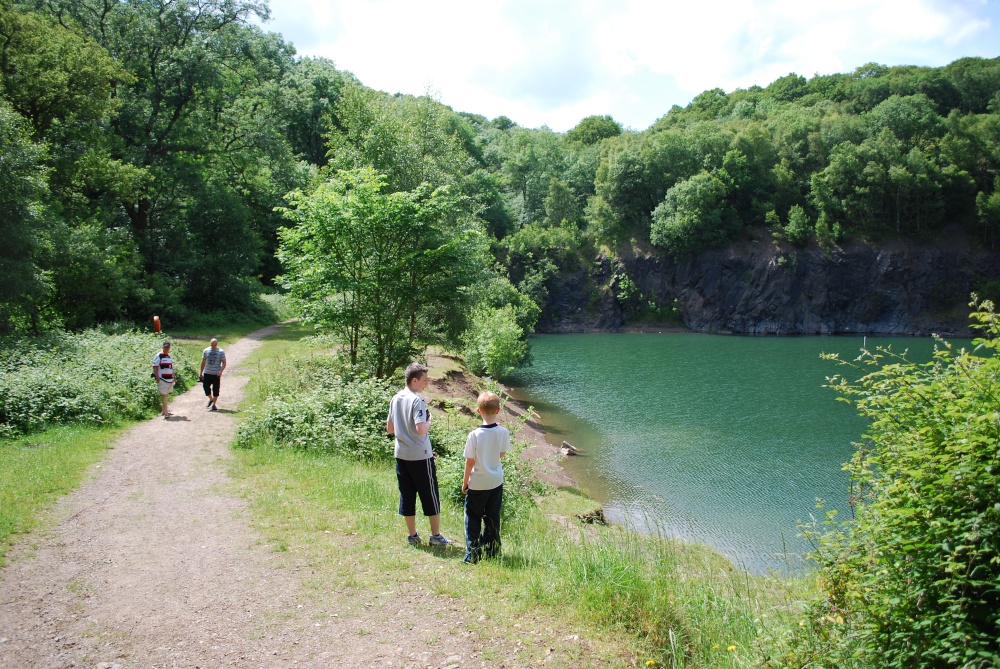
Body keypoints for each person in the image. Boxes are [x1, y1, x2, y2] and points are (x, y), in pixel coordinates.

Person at [386, 362, 453, 547]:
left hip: (401, 454)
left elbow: (389, 429)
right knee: (430, 494)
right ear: (414, 380)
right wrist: (429, 420)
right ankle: (435, 535)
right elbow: (421, 429)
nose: (426, 384)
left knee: (406, 494)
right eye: (424, 380)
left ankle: (413, 535)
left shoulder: (396, 398)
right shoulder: (418, 400)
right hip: (420, 455)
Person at [461, 391, 510, 563]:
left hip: (477, 484)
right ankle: (492, 551)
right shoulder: (503, 432)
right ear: (498, 410)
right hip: (495, 481)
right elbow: (501, 454)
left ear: (478, 410)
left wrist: (465, 482)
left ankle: (473, 554)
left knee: (473, 518)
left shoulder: (474, 435)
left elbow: (469, 462)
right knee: (492, 517)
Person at [198, 338, 227, 411]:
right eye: (212, 345)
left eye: (214, 345)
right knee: (206, 387)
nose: (213, 346)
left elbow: (224, 363)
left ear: (217, 344)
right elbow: (203, 362)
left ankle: (214, 404)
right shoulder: (206, 351)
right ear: (210, 344)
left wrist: (220, 371)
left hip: (216, 373)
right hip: (207, 372)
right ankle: (211, 399)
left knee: (216, 389)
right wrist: (201, 373)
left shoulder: (221, 352)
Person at [152, 341, 175, 417]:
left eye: (168, 347)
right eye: (165, 347)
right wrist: (158, 379)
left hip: (169, 379)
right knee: (164, 395)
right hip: (162, 379)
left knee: (166, 395)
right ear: (162, 347)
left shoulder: (168, 356)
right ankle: (165, 412)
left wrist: (174, 377)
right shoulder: (159, 356)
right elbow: (155, 367)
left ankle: (164, 411)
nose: (167, 348)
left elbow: (171, 368)